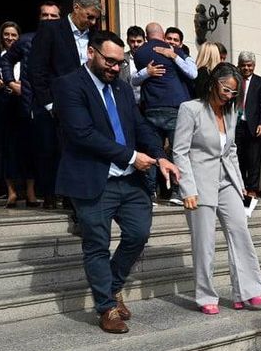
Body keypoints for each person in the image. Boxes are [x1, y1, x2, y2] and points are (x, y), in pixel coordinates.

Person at [52, 30, 179, 333]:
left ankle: (111, 285)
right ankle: (107, 308)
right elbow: (82, 134)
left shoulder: (121, 87)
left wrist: (160, 156)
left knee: (138, 233)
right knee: (97, 245)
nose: (114, 67)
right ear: (91, 53)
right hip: (92, 180)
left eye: (119, 63)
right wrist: (132, 156)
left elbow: (140, 125)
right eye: (109, 61)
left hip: (129, 181)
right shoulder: (69, 85)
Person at [173, 62, 261, 314]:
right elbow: (180, 152)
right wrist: (187, 189)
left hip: (227, 182)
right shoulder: (190, 109)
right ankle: (205, 296)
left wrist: (240, 185)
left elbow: (231, 150)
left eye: (234, 92)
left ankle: (248, 291)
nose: (229, 96)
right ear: (214, 83)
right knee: (204, 243)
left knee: (240, 231)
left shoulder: (230, 113)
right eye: (226, 89)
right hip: (199, 183)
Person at [29, 0, 102, 216]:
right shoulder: (51, 30)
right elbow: (37, 69)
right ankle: (50, 194)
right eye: (89, 16)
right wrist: (48, 103)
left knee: (79, 150)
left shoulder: (95, 35)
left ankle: (74, 200)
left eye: (96, 18)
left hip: (85, 103)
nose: (93, 22)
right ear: (76, 8)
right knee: (51, 149)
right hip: (55, 103)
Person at [0, 2, 62, 209]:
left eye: (53, 16)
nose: (49, 19)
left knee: (63, 150)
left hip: (62, 104)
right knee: (41, 151)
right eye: (45, 15)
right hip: (33, 105)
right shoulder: (26, 40)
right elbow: (7, 60)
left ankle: (66, 195)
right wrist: (10, 82)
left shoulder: (66, 41)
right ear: (39, 18)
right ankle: (47, 196)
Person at [133, 22, 197, 204]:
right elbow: (193, 74)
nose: (171, 42)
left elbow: (134, 80)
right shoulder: (174, 51)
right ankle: (178, 192)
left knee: (153, 150)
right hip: (173, 107)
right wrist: (174, 55)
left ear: (146, 37)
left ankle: (150, 192)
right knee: (179, 150)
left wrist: (147, 72)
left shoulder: (140, 53)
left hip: (151, 106)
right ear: (162, 36)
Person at [0, 21, 33, 207]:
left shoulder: (28, 54)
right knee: (6, 151)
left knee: (29, 149)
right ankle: (11, 192)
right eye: (7, 34)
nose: (10, 38)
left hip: (25, 107)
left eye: (14, 35)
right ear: (1, 36)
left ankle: (31, 193)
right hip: (2, 108)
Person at [236, 51, 261, 198]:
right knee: (238, 157)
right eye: (243, 65)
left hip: (254, 126)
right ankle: (240, 186)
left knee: (254, 159)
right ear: (239, 65)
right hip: (237, 125)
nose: (246, 68)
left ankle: (253, 188)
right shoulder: (234, 80)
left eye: (249, 65)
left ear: (254, 66)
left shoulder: (260, 82)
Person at [119, 25, 145, 104]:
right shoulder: (121, 58)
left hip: (146, 104)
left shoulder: (149, 58)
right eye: (132, 41)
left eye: (139, 41)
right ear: (127, 41)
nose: (136, 44)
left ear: (144, 41)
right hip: (126, 102)